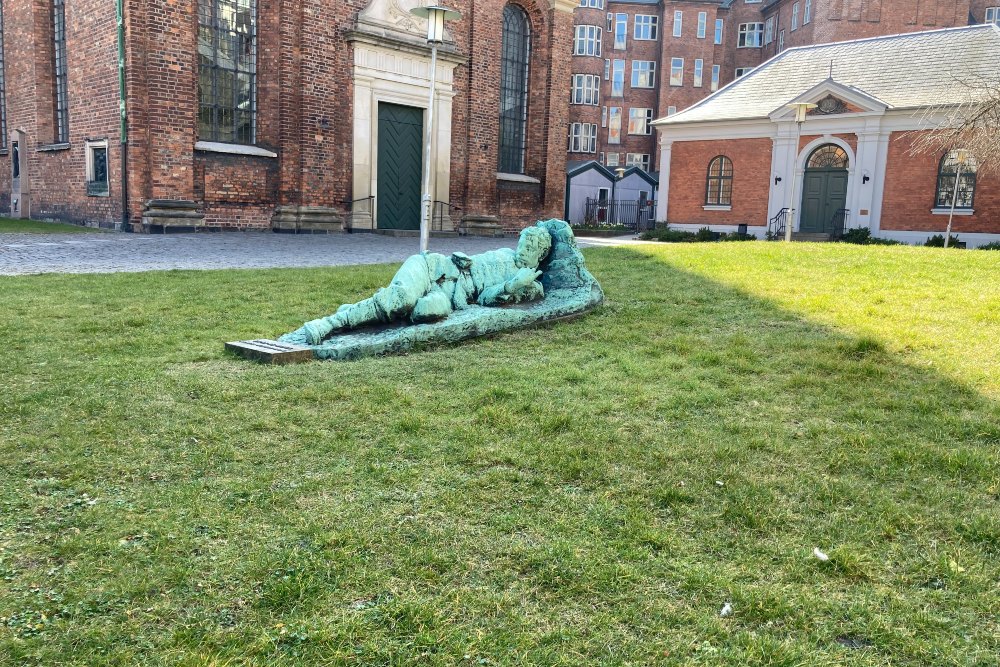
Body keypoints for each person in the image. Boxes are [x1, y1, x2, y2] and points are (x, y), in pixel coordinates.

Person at [283, 225, 553, 345]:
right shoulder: (506, 254)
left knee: (425, 311)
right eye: (523, 241)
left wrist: (511, 286)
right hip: (433, 267)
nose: (523, 247)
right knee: (402, 299)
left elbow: (485, 299)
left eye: (530, 246)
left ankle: (365, 312)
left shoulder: (532, 287)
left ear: (540, 254)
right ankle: (330, 323)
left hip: (447, 296)